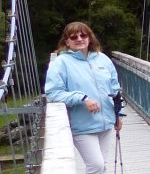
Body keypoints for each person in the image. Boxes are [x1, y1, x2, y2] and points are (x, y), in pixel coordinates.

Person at [44, 21, 121, 174]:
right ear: (67, 42)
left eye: (83, 35)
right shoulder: (61, 63)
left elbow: (115, 89)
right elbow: (53, 93)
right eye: (73, 37)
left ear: (89, 38)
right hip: (82, 125)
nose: (79, 39)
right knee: (96, 165)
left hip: (106, 122)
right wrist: (82, 97)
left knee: (102, 166)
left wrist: (119, 114)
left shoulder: (102, 59)